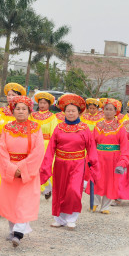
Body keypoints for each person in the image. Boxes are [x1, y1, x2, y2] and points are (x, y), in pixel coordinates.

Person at [40, 94, 99, 229]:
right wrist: (46, 165)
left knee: (73, 190)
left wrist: (94, 165)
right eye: (68, 111)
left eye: (73, 111)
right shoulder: (59, 127)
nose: (71, 113)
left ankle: (71, 218)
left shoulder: (84, 128)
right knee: (59, 191)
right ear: (64, 112)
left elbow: (91, 148)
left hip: (78, 164)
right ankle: (59, 218)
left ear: (79, 112)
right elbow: (51, 148)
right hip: (60, 163)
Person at [0, 96, 45, 247]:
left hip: (27, 170)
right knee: (11, 201)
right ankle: (13, 230)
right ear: (12, 110)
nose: (20, 111)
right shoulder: (7, 128)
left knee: (24, 201)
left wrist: (22, 168)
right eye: (17, 108)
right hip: (10, 169)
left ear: (29, 111)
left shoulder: (36, 128)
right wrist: (12, 168)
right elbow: (2, 151)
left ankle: (19, 232)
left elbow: (38, 151)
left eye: (24, 108)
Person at [0, 83, 27, 216]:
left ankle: (12, 204)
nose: (10, 97)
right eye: (9, 95)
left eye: (13, 95)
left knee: (12, 176)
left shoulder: (22, 113)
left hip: (15, 150)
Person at [90, 98, 129, 213]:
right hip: (98, 157)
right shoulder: (98, 125)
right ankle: (95, 202)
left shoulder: (120, 127)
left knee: (110, 182)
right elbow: (92, 143)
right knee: (97, 179)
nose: (108, 112)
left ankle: (105, 206)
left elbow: (125, 146)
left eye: (111, 109)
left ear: (115, 112)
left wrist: (123, 162)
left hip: (113, 158)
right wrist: (91, 157)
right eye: (106, 109)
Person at [31, 92, 59, 200]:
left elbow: (54, 133)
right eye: (40, 102)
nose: (42, 105)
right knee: (35, 166)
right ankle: (41, 189)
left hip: (47, 144)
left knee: (47, 167)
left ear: (49, 105)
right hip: (34, 144)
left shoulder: (52, 117)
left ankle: (47, 187)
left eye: (44, 103)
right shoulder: (32, 116)